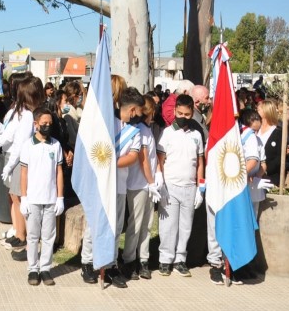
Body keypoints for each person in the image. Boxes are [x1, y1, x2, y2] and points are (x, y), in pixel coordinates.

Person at [80, 86, 143, 288]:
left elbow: (133, 157)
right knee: (95, 224)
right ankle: (88, 262)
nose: (140, 116)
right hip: (100, 185)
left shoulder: (135, 131)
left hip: (119, 185)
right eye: (139, 111)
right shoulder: (107, 121)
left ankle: (110, 263)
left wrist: (110, 163)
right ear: (132, 109)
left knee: (116, 227)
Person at [0, 76, 38, 253]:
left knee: (18, 197)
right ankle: (17, 231)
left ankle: (22, 236)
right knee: (12, 197)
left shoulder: (27, 115)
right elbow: (6, 132)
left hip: (17, 158)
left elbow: (18, 141)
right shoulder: (16, 111)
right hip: (9, 155)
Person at [156, 93, 205, 278]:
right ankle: (165, 259)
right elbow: (160, 161)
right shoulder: (167, 133)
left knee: (186, 226)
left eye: (186, 114)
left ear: (192, 113)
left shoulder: (196, 135)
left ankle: (180, 259)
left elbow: (200, 162)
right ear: (175, 110)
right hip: (170, 185)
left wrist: (201, 187)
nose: (182, 117)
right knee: (168, 225)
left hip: (190, 187)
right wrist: (161, 183)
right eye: (180, 113)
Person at [20, 107, 64, 286]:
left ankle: (45, 268)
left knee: (48, 236)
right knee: (32, 235)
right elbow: (24, 173)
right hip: (33, 198)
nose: (47, 126)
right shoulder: (28, 145)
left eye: (49, 124)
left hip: (50, 198)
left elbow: (59, 171)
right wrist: (23, 197)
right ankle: (33, 268)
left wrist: (60, 197)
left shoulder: (56, 145)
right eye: (44, 123)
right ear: (36, 124)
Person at [122, 95, 161, 280]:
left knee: (147, 224)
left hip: (147, 184)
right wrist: (151, 181)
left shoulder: (147, 129)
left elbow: (152, 159)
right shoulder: (140, 130)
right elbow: (143, 158)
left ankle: (143, 259)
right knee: (136, 224)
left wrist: (156, 176)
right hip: (138, 183)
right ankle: (129, 259)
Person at [257, 98, 283, 185]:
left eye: (260, 108)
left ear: (267, 111)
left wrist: (265, 170)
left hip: (270, 177)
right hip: (254, 175)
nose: (257, 109)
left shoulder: (278, 132)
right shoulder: (255, 129)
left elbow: (280, 157)